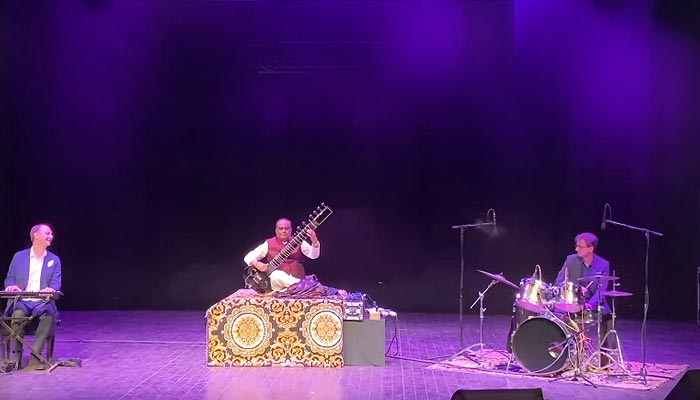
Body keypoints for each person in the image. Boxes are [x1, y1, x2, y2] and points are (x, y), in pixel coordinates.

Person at [3, 224, 62, 370]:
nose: (51, 236)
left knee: (49, 314)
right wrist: (11, 286)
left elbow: (56, 284)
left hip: (42, 301)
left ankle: (36, 357)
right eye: (48, 233)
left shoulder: (54, 260)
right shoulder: (19, 256)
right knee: (17, 315)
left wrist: (51, 289)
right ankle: (16, 357)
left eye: (51, 234)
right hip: (23, 299)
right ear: (36, 235)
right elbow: (9, 278)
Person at [555, 232, 614, 367]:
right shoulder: (570, 260)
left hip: (593, 303)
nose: (576, 249)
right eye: (576, 246)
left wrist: (590, 304)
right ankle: (565, 355)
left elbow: (602, 290)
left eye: (580, 247)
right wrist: (575, 289)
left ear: (590, 249)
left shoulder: (603, 265)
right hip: (573, 301)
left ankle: (604, 361)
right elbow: (558, 282)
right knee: (558, 312)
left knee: (608, 316)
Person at [243, 218, 344, 296]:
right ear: (276, 230)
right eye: (281, 228)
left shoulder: (298, 241)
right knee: (276, 275)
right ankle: (320, 288)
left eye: (286, 228)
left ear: (291, 230)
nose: (284, 231)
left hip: (296, 282)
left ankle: (302, 288)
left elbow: (314, 256)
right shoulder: (268, 243)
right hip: (277, 283)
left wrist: (314, 241)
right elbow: (248, 257)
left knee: (292, 285)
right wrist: (257, 264)